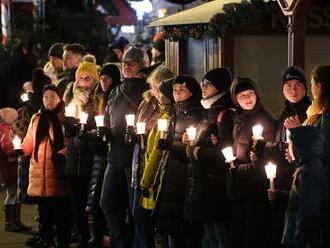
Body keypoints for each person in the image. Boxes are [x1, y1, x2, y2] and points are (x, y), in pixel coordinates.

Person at [254, 66, 311, 248]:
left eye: (297, 85)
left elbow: (299, 151)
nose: (293, 90)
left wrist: (265, 147)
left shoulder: (309, 114)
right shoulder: (285, 112)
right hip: (281, 183)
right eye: (288, 85)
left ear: (306, 88)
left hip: (297, 185)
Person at [100, 47, 148, 247]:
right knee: (107, 201)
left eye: (132, 63)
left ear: (141, 66)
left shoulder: (145, 92)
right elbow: (106, 119)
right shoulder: (116, 91)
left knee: (135, 206)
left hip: (134, 157)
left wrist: (138, 134)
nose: (126, 66)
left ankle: (138, 242)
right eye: (124, 63)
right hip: (115, 155)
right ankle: (120, 241)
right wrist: (103, 133)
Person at [182, 68, 235, 248]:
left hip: (215, 182)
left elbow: (224, 151)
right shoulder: (209, 110)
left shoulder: (224, 114)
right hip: (202, 182)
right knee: (209, 234)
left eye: (208, 84)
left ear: (219, 87)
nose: (203, 87)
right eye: (202, 83)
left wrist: (196, 151)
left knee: (220, 234)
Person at [153, 75, 204, 247]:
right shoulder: (176, 113)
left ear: (192, 92)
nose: (177, 93)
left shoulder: (198, 115)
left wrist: (170, 145)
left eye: (182, 89)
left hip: (186, 177)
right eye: (175, 90)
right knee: (172, 228)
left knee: (185, 228)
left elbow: (193, 150)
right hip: (171, 174)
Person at [227, 77, 277, 248]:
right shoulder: (239, 119)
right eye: (242, 96)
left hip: (256, 191)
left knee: (254, 237)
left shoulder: (266, 121)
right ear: (235, 99)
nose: (247, 99)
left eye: (250, 94)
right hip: (241, 188)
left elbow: (264, 162)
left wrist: (237, 169)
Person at [20, 84, 70, 247]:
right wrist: (18, 150)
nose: (49, 100)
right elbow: (29, 142)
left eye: (52, 97)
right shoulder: (36, 118)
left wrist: (63, 154)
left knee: (60, 212)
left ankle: (61, 241)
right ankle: (45, 238)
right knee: (44, 211)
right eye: (46, 97)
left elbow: (72, 143)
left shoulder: (65, 118)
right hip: (39, 174)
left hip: (57, 172)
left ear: (59, 98)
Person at [132, 65, 174, 248]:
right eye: (153, 87)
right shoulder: (147, 104)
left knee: (153, 221)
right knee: (139, 216)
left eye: (158, 88)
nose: (154, 92)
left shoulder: (166, 114)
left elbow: (158, 150)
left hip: (154, 174)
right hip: (142, 163)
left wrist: (146, 181)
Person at [63, 61, 99, 247]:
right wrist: (69, 128)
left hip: (91, 155)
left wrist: (84, 135)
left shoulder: (97, 99)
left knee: (91, 199)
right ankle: (81, 234)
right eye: (81, 78)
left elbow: (98, 126)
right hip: (73, 156)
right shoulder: (71, 98)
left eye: (88, 78)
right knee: (75, 200)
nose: (84, 82)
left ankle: (94, 236)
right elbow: (67, 128)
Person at [86, 63, 121, 248]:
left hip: (111, 153)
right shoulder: (96, 98)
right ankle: (97, 235)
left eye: (107, 78)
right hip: (97, 154)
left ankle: (109, 235)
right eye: (101, 78)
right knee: (96, 195)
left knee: (107, 197)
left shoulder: (115, 98)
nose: (103, 82)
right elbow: (89, 123)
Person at [282, 126, 326, 248]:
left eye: (291, 144)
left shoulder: (307, 171)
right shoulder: (308, 167)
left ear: (299, 146)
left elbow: (307, 213)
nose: (288, 148)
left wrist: (298, 241)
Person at [0, 108, 30, 232]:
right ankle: (9, 222)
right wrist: (15, 151)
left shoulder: (7, 129)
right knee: (11, 193)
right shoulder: (5, 130)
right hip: (8, 165)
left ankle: (16, 221)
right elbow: (7, 146)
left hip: (11, 165)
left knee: (15, 194)